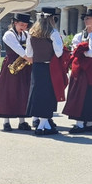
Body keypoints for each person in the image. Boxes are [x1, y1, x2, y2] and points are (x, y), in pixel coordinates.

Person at [63, 9, 92, 133]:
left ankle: (81, 124)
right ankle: (89, 122)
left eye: (88, 18)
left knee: (82, 93)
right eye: (85, 18)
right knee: (91, 93)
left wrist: (80, 52)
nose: (85, 20)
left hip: (89, 66)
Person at [24, 8, 65, 136]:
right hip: (49, 67)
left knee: (38, 94)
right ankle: (41, 127)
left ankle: (45, 126)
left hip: (36, 67)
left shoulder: (31, 33)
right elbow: (59, 53)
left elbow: (28, 53)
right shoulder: (53, 32)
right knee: (48, 96)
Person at [0, 12, 33, 131]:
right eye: (21, 24)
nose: (24, 27)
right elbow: (18, 49)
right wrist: (30, 58)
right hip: (12, 65)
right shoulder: (8, 35)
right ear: (15, 23)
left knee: (23, 92)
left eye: (26, 25)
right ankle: (6, 121)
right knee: (9, 91)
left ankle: (22, 121)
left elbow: (31, 48)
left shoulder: (26, 34)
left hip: (25, 66)